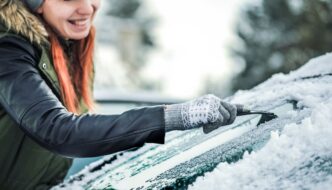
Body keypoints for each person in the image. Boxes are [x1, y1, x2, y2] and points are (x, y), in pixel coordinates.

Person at [0, 0, 238, 189]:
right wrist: (175, 117)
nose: (86, 8)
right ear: (36, 3)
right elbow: (58, 131)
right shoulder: (8, 51)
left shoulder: (70, 46)